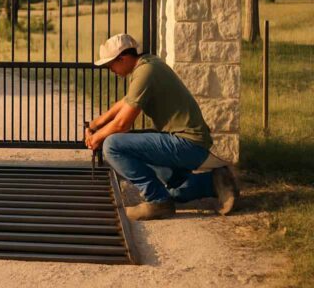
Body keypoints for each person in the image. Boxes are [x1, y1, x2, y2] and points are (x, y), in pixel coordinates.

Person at [84, 33, 239, 221]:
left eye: (110, 66)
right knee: (176, 193)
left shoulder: (145, 72)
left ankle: (157, 201)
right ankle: (216, 182)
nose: (111, 70)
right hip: (186, 142)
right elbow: (125, 103)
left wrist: (97, 138)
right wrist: (96, 124)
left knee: (113, 145)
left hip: (187, 144)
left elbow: (123, 123)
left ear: (122, 58)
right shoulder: (148, 65)